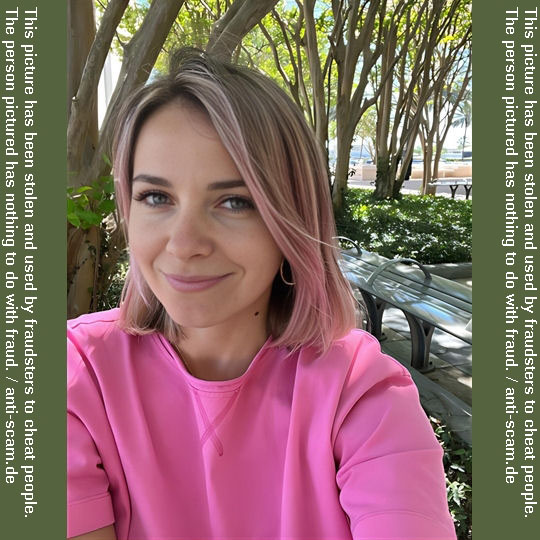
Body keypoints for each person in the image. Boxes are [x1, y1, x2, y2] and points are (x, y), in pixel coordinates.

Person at [68, 48, 456, 540]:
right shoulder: (76, 374)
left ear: (290, 220)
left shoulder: (361, 394)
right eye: (156, 197)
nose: (184, 245)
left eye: (234, 202)